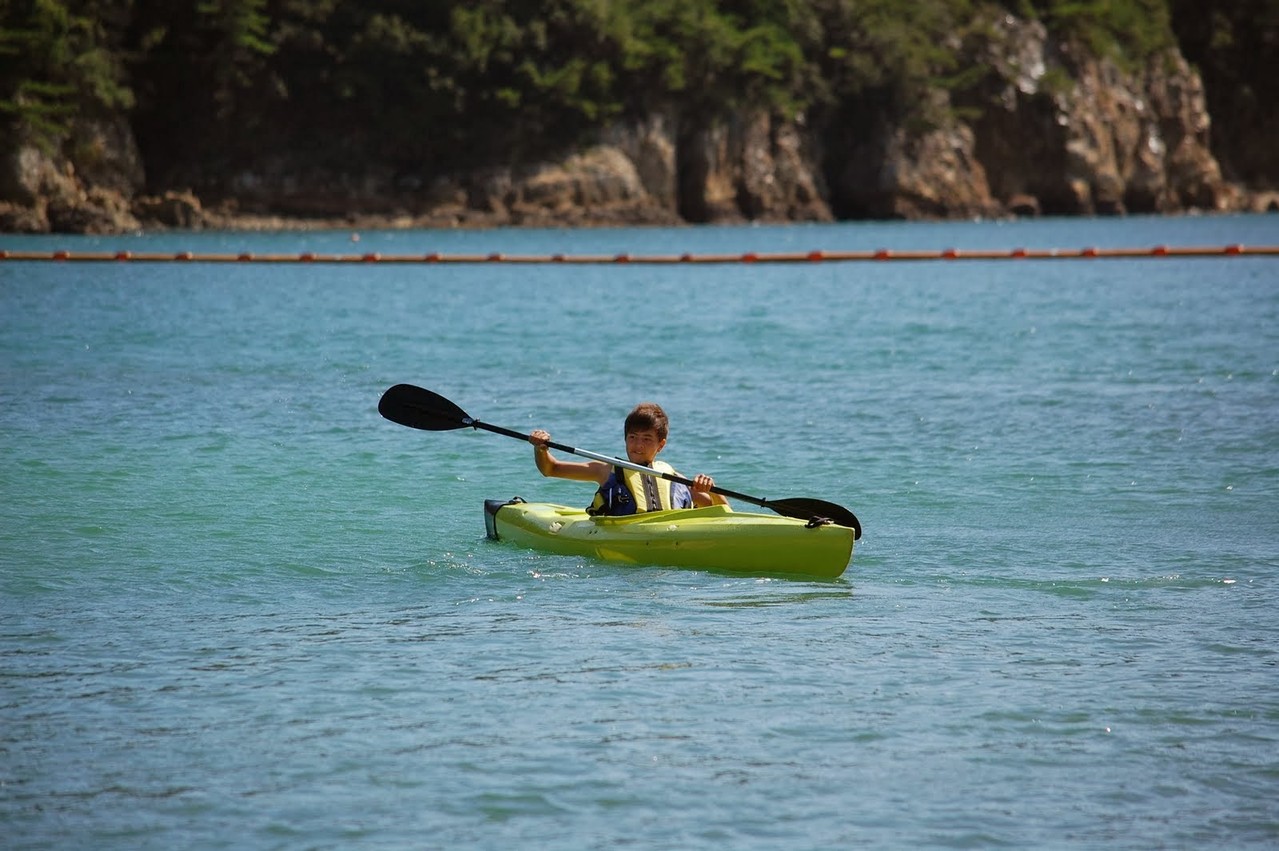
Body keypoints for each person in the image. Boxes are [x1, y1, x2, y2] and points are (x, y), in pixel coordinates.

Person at [529, 402, 729, 516]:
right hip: (621, 534)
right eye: (632, 437)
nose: (637, 445)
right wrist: (541, 448)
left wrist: (711, 489)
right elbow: (551, 469)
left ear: (661, 445)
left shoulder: (674, 478)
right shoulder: (606, 470)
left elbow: (723, 512)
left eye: (647, 439)